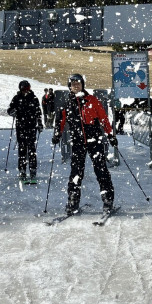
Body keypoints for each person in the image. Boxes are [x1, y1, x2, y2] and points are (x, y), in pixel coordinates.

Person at [52, 73, 117, 216]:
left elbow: (103, 118)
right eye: (73, 83)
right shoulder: (67, 102)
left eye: (78, 83)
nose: (76, 85)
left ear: (82, 85)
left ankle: (108, 200)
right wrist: (57, 133)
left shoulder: (91, 100)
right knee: (76, 173)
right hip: (78, 141)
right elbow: (60, 120)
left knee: (101, 170)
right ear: (69, 86)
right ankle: (73, 202)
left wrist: (110, 134)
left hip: (94, 139)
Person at [7, 80, 44, 182]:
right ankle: (22, 171)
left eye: (27, 89)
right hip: (21, 127)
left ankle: (32, 172)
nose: (25, 91)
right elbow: (9, 109)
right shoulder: (17, 98)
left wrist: (40, 123)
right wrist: (12, 112)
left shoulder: (34, 98)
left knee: (32, 150)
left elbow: (38, 112)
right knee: (22, 150)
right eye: (23, 89)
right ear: (20, 89)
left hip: (31, 127)